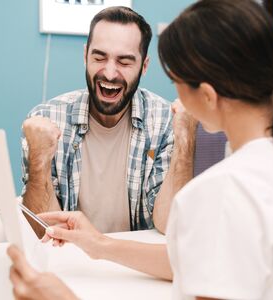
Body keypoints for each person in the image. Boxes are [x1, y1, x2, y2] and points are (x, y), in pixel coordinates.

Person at [8, 0, 273, 299]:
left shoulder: (220, 191)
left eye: (175, 79)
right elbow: (190, 259)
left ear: (205, 95)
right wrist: (100, 244)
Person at [21, 6, 196, 236]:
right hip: (70, 259)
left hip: (134, 264)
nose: (110, 73)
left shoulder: (165, 122)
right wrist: (39, 162)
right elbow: (41, 229)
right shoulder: (47, 119)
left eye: (124, 62)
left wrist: (186, 136)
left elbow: (170, 224)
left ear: (144, 66)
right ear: (85, 56)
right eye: (99, 57)